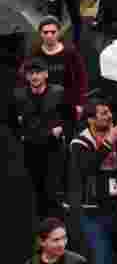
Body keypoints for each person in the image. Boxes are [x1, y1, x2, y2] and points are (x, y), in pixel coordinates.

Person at [66, 98, 117, 264]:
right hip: (92, 209)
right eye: (103, 113)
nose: (109, 116)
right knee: (101, 256)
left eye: (109, 112)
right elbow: (87, 169)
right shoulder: (79, 142)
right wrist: (109, 142)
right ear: (90, 119)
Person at [15, 57, 68, 219]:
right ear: (26, 76)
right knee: (32, 190)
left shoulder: (58, 92)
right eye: (31, 73)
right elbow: (13, 122)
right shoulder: (19, 95)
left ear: (45, 74)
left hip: (52, 148)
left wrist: (61, 128)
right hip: (29, 148)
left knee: (51, 190)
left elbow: (70, 118)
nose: (34, 76)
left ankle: (54, 227)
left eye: (38, 73)